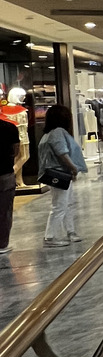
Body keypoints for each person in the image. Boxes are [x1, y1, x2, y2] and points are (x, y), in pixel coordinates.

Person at [38, 105, 87, 247]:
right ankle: (50, 236)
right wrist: (73, 168)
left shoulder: (47, 134)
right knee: (59, 205)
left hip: (55, 173)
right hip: (59, 173)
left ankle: (70, 231)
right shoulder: (58, 133)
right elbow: (62, 153)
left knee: (66, 203)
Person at [0, 107, 19, 260]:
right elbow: (17, 150)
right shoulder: (10, 128)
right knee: (5, 209)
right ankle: (2, 244)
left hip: (6, 173)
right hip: (5, 172)